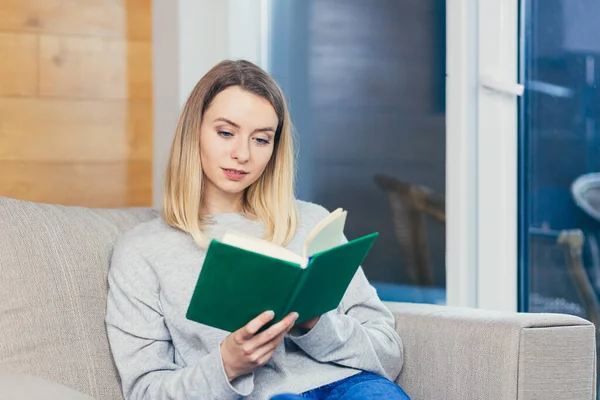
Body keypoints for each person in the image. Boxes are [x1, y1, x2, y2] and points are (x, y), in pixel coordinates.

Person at [105, 59, 410, 400]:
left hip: (351, 387)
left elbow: (388, 351)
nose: (242, 154)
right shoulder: (143, 251)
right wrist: (226, 365)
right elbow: (145, 391)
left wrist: (314, 325)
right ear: (194, 132)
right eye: (225, 133)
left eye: (261, 139)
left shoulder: (312, 221)